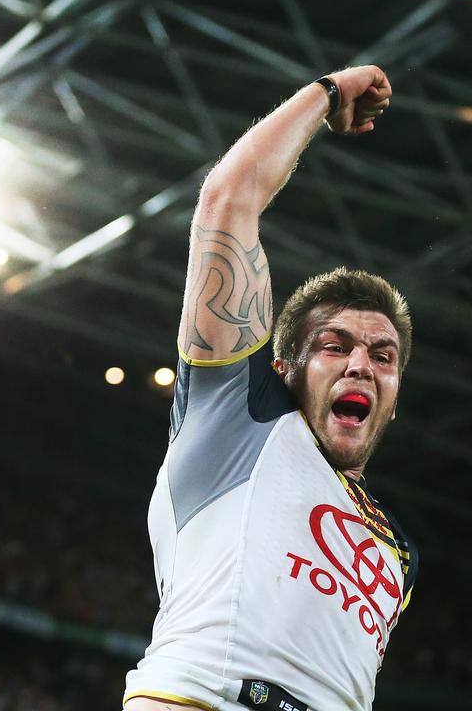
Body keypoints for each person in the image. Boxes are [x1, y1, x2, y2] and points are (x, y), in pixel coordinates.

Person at [123, 66, 418, 711]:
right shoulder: (240, 415)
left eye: (383, 355)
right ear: (285, 367)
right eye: (335, 346)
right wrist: (329, 92)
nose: (362, 365)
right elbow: (228, 200)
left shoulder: (398, 552)